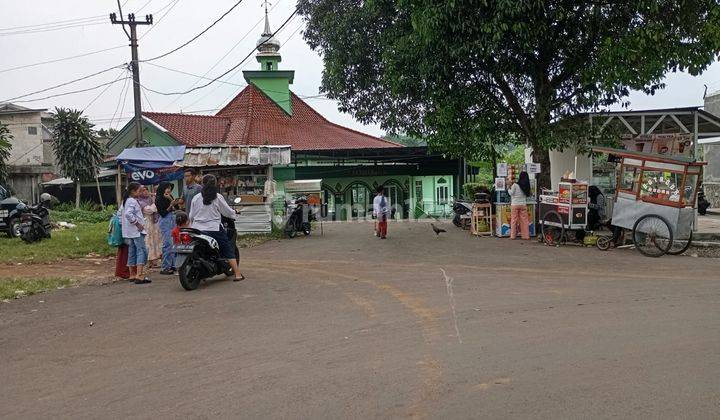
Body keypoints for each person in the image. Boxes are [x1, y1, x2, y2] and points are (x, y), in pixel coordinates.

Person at [188, 174, 244, 281]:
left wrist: (193, 224)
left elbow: (191, 216)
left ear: (202, 184)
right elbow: (227, 212)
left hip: (197, 229)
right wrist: (235, 213)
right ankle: (237, 274)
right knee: (227, 248)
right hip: (214, 229)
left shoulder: (196, 198)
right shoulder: (218, 197)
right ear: (215, 184)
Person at [122, 182, 151, 284]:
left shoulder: (125, 201)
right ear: (133, 191)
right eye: (139, 190)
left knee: (132, 251)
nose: (140, 192)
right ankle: (139, 275)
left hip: (129, 231)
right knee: (141, 251)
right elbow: (128, 214)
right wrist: (137, 224)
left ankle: (132, 274)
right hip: (136, 231)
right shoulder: (132, 201)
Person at [155, 182, 180, 274]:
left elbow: (177, 208)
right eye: (167, 188)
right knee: (167, 243)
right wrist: (171, 205)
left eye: (169, 188)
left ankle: (173, 265)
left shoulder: (170, 196)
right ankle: (165, 267)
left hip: (173, 219)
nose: (169, 190)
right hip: (165, 221)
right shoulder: (159, 199)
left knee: (174, 243)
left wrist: (170, 199)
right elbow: (163, 213)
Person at [138, 186, 162, 267]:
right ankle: (148, 261)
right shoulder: (139, 201)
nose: (145, 192)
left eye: (146, 190)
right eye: (143, 190)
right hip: (145, 223)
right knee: (147, 241)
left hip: (153, 222)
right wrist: (156, 202)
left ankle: (154, 260)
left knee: (154, 241)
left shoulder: (150, 199)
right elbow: (149, 210)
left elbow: (155, 210)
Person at [509, 171, 531, 240]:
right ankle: (526, 236)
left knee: (514, 220)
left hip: (515, 204)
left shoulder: (515, 185)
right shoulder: (527, 186)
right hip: (523, 204)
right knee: (524, 221)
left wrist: (508, 188)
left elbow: (511, 193)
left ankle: (513, 236)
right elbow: (528, 195)